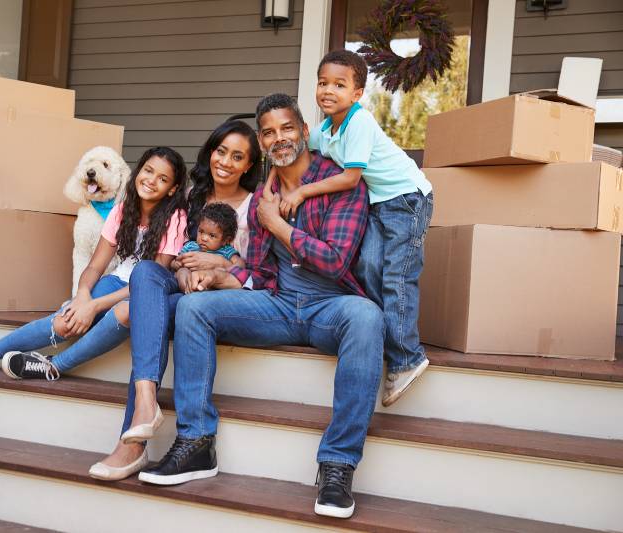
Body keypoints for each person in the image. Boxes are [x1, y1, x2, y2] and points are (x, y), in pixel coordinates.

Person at [139, 93, 384, 520]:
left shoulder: (343, 184)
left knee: (368, 316)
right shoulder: (264, 194)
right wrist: (217, 277)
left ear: (305, 132)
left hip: (331, 307)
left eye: (287, 128)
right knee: (193, 309)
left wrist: (278, 224)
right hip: (277, 304)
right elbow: (256, 270)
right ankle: (196, 443)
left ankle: (338, 465)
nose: (278, 138)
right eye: (268, 132)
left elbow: (334, 260)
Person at [89, 120, 261, 480]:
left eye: (237, 156)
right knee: (145, 273)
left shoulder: (256, 205)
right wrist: (183, 272)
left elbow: (259, 269)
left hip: (223, 296)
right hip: (184, 289)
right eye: (220, 151)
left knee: (148, 313)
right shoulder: (192, 198)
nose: (225, 162)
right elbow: (178, 254)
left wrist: (218, 264)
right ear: (209, 151)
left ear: (248, 165)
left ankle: (130, 446)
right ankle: (146, 405)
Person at [263, 49, 434, 407]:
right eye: (323, 83)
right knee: (368, 265)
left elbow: (350, 177)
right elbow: (286, 151)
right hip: (378, 203)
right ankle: (381, 337)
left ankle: (407, 357)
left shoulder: (359, 123)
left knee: (397, 276)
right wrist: (270, 185)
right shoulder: (326, 128)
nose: (328, 90)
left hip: (406, 200)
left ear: (357, 93)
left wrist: (305, 190)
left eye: (339, 85)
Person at [0, 146, 187, 385]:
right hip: (117, 281)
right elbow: (94, 267)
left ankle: (54, 365)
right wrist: (82, 297)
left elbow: (149, 281)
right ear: (139, 171)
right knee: (67, 319)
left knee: (121, 313)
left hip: (146, 292)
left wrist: (94, 306)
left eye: (162, 179)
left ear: (173, 189)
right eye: (148, 171)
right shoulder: (122, 211)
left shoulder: (175, 219)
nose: (151, 180)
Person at [172, 203, 244, 289]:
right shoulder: (190, 246)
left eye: (212, 235)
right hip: (190, 278)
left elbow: (241, 264)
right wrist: (176, 264)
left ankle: (202, 288)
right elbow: (175, 261)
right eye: (201, 231)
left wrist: (226, 268)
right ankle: (188, 288)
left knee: (219, 272)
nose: (204, 238)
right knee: (182, 271)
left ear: (226, 240)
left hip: (212, 282)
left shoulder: (226, 250)